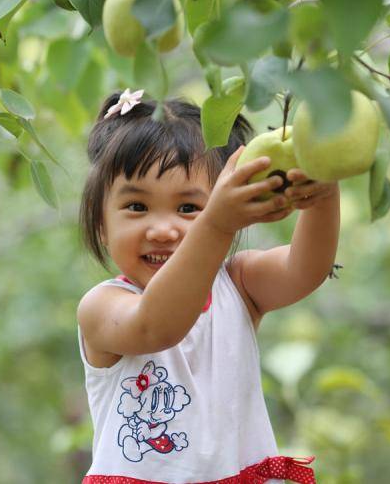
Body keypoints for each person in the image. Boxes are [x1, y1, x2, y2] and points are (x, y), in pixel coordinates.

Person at [76, 89, 339, 484]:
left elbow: (307, 268)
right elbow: (158, 326)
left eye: (188, 208)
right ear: (101, 222)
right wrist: (213, 224)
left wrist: (321, 192)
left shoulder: (238, 284)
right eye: (136, 207)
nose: (163, 229)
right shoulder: (104, 307)